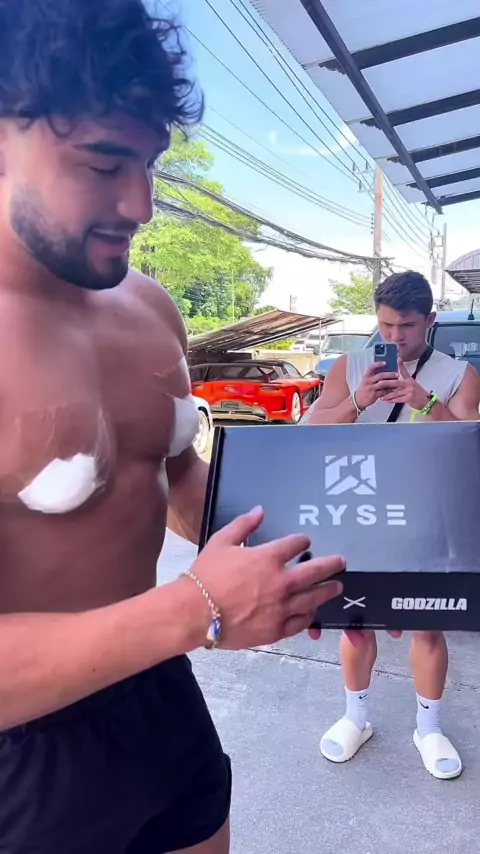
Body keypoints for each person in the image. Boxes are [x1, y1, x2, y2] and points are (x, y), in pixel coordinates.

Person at [0, 2, 347, 852]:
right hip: (24, 751)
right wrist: (198, 608)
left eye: (150, 162)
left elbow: (176, 477)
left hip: (159, 692)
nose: (142, 203)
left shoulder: (149, 308)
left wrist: (322, 553)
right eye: (103, 161)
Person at [306, 271, 480, 781]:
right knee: (354, 622)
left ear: (430, 320)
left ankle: (428, 728)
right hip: (358, 513)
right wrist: (358, 401)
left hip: (427, 514)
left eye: (406, 326)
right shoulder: (349, 367)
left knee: (427, 623)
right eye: (385, 325)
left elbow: (470, 444)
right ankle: (355, 718)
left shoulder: (459, 374)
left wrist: (424, 400)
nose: (394, 337)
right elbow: (309, 432)